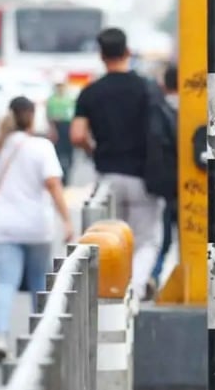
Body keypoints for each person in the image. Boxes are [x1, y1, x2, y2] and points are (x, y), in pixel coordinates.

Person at [70, 27, 163, 298]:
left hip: (107, 177)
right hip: (143, 177)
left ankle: (114, 293)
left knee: (111, 241)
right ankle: (134, 288)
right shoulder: (147, 88)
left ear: (101, 56)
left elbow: (77, 134)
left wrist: (93, 149)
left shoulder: (91, 93)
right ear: (127, 52)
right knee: (146, 240)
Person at [0, 96, 72, 360]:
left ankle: (0, 337)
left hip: (4, 226)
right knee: (38, 285)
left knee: (6, 282)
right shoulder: (41, 147)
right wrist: (66, 221)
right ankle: (38, 341)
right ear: (32, 116)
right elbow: (53, 185)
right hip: (36, 226)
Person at [147, 63, 181, 299]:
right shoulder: (197, 108)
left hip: (162, 183)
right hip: (191, 185)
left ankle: (154, 273)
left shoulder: (155, 109)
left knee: (163, 236)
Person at [45, 78, 75, 183]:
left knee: (69, 154)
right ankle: (60, 176)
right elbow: (49, 117)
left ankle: (67, 176)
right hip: (57, 127)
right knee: (58, 154)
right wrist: (52, 130)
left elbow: (74, 116)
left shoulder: (70, 99)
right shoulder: (52, 100)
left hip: (68, 127)